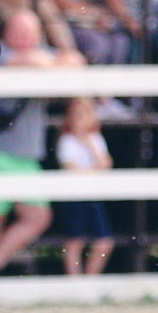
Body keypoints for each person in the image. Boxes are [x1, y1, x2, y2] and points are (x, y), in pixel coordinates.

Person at [0, 7, 59, 275]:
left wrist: (46, 62)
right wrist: (45, 63)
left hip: (27, 158)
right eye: (18, 32)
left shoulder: (45, 58)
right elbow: (18, 62)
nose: (22, 38)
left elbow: (75, 61)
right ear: (6, 34)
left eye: (29, 33)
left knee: (37, 217)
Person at [52, 96, 118, 277]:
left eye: (86, 115)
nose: (82, 120)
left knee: (104, 242)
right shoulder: (66, 142)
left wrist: (90, 146)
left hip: (93, 196)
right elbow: (71, 170)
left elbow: (106, 164)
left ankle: (90, 280)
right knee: (74, 242)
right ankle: (75, 284)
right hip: (74, 198)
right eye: (77, 115)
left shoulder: (96, 139)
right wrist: (95, 167)